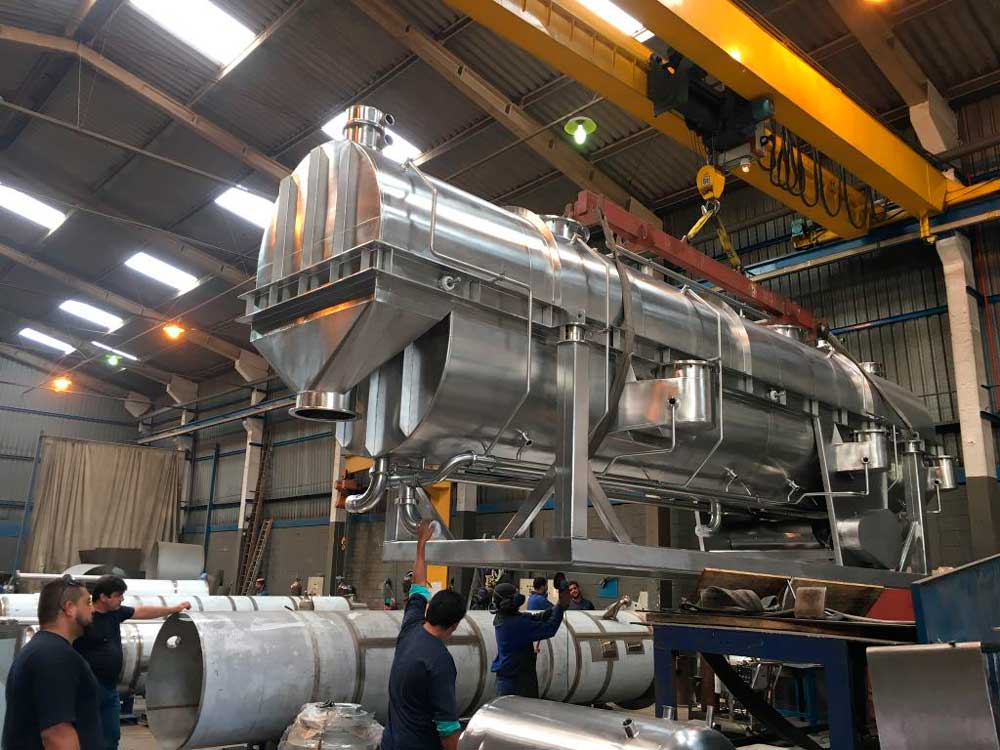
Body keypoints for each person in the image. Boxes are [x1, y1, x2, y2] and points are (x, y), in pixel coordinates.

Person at [74, 575, 190, 750]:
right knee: (86, 736)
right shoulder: (85, 619)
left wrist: (173, 609)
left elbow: (142, 612)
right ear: (104, 597)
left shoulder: (115, 613)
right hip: (88, 687)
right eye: (118, 595)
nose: (122, 599)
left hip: (110, 687)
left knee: (112, 736)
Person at [382, 520, 466, 750]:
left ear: (430, 610)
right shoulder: (440, 661)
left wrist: (421, 543)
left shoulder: (411, 628)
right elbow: (448, 728)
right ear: (454, 626)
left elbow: (418, 585)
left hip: (391, 743)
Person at [3, 575, 101, 750]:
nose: (93, 609)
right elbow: (57, 736)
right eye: (87, 603)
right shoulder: (55, 657)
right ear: (69, 608)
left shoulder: (42, 650)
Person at [491, 580, 571, 697]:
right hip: (518, 683)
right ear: (509, 602)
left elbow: (536, 617)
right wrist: (560, 606)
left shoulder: (503, 617)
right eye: (515, 595)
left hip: (509, 679)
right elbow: (550, 628)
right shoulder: (515, 624)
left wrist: (557, 607)